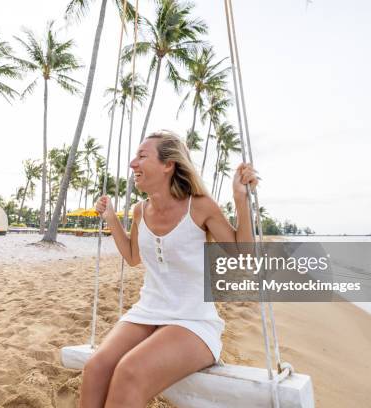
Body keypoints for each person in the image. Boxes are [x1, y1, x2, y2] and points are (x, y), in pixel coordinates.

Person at [79, 130, 258, 408]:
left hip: (193, 319)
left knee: (129, 373)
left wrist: (240, 200)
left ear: (168, 165)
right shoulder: (141, 210)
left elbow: (243, 256)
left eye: (142, 156)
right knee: (96, 368)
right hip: (148, 310)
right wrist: (111, 217)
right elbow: (132, 256)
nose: (132, 164)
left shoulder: (200, 207)